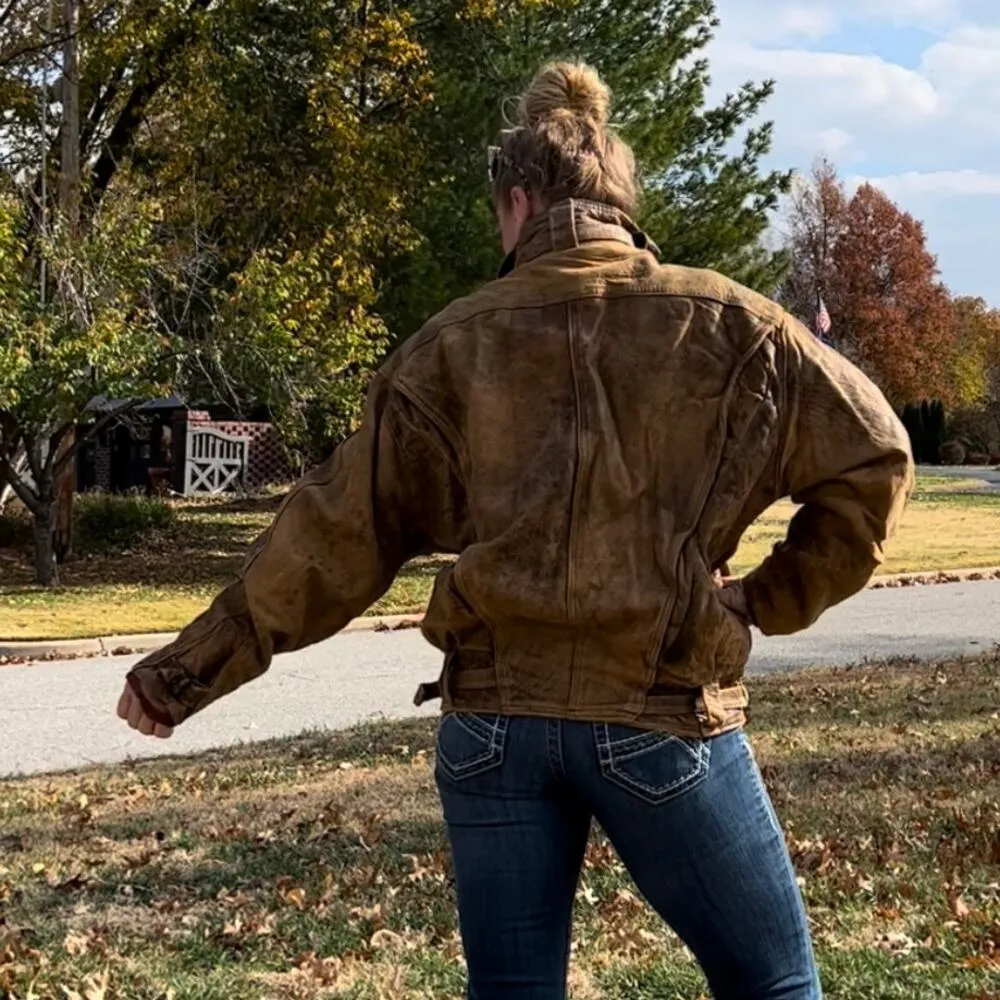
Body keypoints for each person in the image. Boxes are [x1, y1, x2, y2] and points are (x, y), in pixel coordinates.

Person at [117, 62, 913, 1000]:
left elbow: (332, 535)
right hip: (658, 710)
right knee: (773, 985)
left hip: (494, 725)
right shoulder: (737, 326)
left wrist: (181, 675)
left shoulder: (450, 345)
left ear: (521, 201)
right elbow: (876, 460)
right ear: (618, 205)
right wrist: (764, 598)